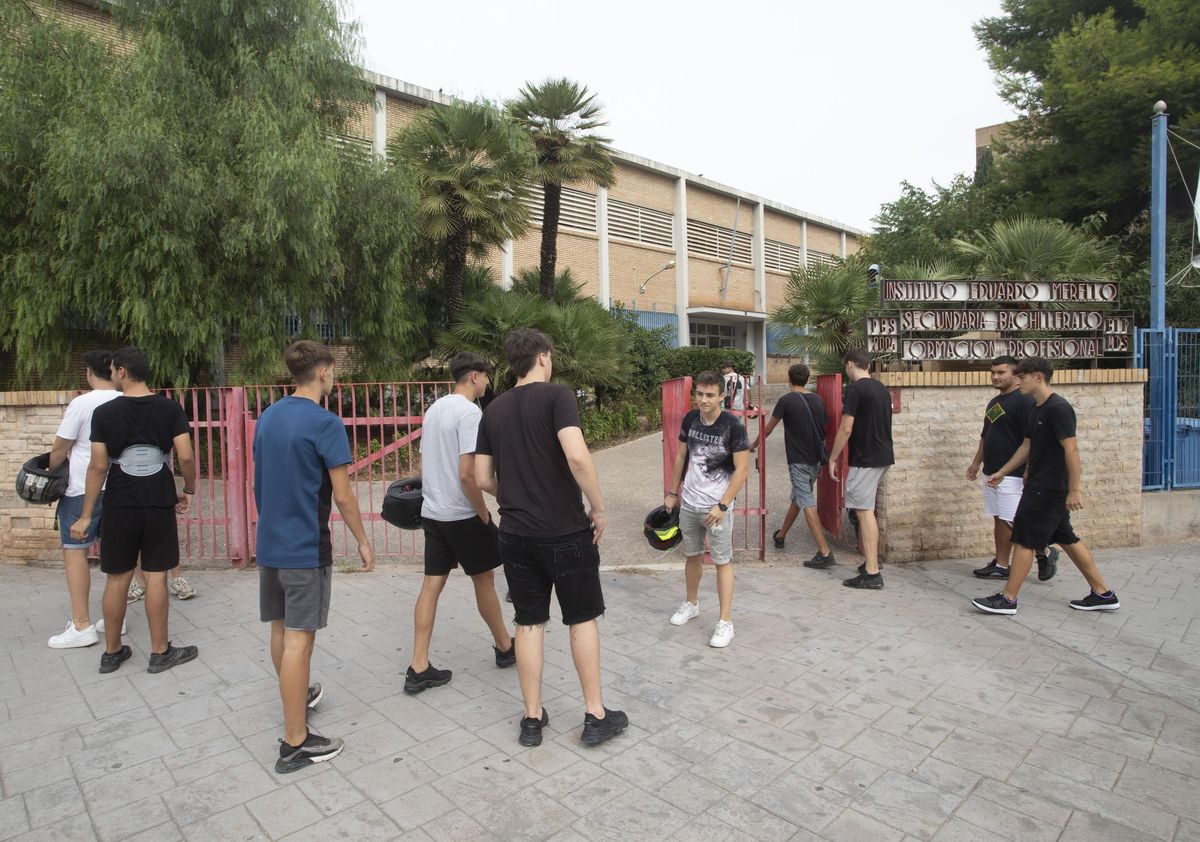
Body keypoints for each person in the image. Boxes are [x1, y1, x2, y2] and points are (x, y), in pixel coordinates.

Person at [474, 328, 627, 748]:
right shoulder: (559, 397)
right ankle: (595, 715)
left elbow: (482, 477)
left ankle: (531, 718)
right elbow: (576, 455)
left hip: (516, 534)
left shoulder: (494, 410)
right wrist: (597, 508)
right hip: (564, 531)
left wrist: (514, 494)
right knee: (581, 618)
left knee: (528, 623)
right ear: (543, 357)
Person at [253, 340, 375, 773]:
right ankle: (295, 740)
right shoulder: (326, 423)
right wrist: (362, 539)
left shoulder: (268, 417)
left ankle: (296, 697)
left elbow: (260, 481)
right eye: (333, 369)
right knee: (301, 639)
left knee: (281, 629)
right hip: (304, 547)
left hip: (269, 543)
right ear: (322, 372)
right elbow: (342, 495)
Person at [72, 346, 199, 674]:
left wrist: (86, 515)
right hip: (158, 500)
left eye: (113, 370)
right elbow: (185, 456)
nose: (112, 375)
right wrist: (187, 490)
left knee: (118, 577)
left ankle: (112, 653)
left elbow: (98, 467)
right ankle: (160, 652)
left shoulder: (105, 414)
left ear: (123, 372)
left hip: (119, 502)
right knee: (156, 574)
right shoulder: (169, 409)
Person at [972, 357, 1119, 615]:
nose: (1019, 381)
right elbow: (1028, 446)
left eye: (1022, 377)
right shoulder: (1037, 408)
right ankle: (1103, 593)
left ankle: (1008, 599)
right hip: (1037, 482)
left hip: (1048, 487)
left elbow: (1071, 450)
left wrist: (1074, 490)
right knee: (1067, 538)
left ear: (1038, 377)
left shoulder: (1058, 408)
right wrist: (1004, 472)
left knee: (1024, 540)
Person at [404, 351, 515, 694]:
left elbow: (423, 469)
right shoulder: (470, 413)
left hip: (434, 514)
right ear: (473, 377)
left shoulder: (435, 409)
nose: (487, 382)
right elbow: (470, 476)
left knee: (431, 586)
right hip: (462, 514)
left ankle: (418, 665)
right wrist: (483, 514)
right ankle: (504, 647)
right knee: (484, 582)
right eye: (485, 376)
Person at [664, 371, 751, 647]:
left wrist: (723, 505)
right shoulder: (690, 419)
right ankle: (691, 604)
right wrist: (672, 492)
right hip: (690, 502)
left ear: (722, 397)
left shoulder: (733, 425)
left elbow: (742, 470)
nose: (703, 400)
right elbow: (680, 455)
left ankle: (725, 622)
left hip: (717, 507)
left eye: (710, 395)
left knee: (722, 562)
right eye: (699, 394)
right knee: (692, 556)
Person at [46, 350, 120, 649]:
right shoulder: (124, 400)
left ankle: (81, 624)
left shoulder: (81, 403)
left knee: (75, 550)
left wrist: (48, 471)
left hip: (82, 488)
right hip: (118, 487)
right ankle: (117, 618)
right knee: (117, 552)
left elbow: (61, 449)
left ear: (90, 373)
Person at [966, 356, 1059, 582]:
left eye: (1001, 372)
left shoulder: (1024, 402)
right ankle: (1001, 563)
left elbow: (1031, 441)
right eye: (993, 372)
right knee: (1000, 519)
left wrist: (1025, 470)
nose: (996, 377)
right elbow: (986, 435)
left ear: (1016, 375)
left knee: (1013, 521)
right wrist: (977, 462)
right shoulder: (995, 402)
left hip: (1012, 474)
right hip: (993, 471)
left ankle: (1045, 551)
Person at [750, 363, 834, 568]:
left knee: (806, 502)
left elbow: (768, 429)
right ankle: (781, 535)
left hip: (798, 460)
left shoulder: (786, 401)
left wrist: (753, 445)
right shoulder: (818, 400)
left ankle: (825, 552)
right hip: (816, 459)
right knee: (798, 498)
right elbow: (825, 429)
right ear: (806, 379)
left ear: (789, 379)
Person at [827, 348, 893, 589]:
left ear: (851, 364)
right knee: (868, 511)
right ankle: (870, 564)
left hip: (866, 458)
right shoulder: (880, 388)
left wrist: (832, 458)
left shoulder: (855, 389)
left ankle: (872, 572)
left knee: (863, 512)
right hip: (883, 455)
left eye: (846, 366)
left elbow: (846, 428)